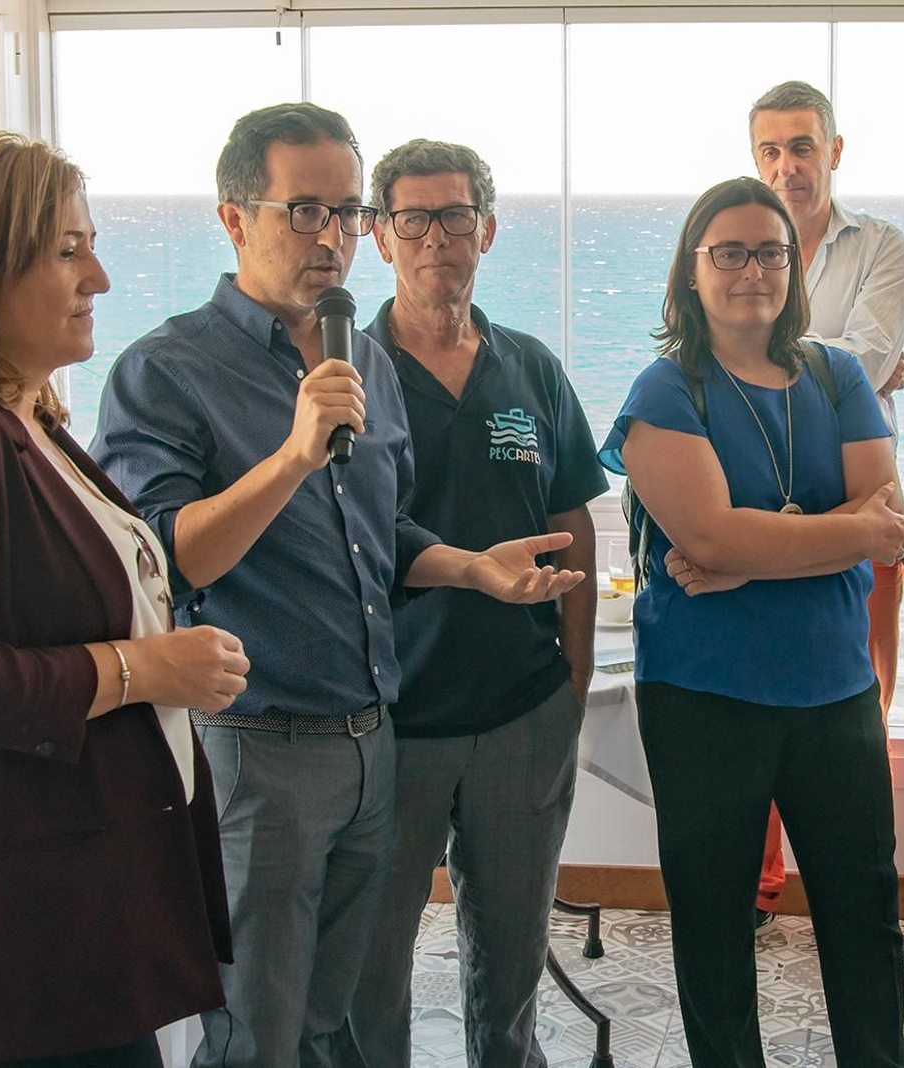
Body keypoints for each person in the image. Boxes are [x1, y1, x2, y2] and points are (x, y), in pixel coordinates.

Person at [91, 104, 584, 1068]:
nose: (333, 239)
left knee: (338, 1027)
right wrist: (291, 455)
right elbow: (166, 558)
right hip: (261, 746)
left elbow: (384, 533)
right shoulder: (167, 368)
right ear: (235, 218)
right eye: (304, 210)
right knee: (258, 1032)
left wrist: (469, 568)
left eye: (347, 214)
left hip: (371, 738)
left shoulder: (358, 358)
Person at [0, 133, 249, 1068]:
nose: (98, 277)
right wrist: (144, 668)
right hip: (26, 926)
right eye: (69, 250)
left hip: (87, 897)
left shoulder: (27, 418)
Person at [601, 176, 904, 1067]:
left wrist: (745, 554)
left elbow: (887, 527)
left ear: (795, 265)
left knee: (864, 910)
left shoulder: (838, 372)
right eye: (729, 252)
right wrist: (833, 533)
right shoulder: (666, 390)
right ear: (691, 272)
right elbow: (707, 532)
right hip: (704, 700)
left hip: (836, 692)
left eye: (771, 251)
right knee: (713, 919)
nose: (753, 269)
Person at [344, 139, 605, 1068]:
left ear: (486, 231)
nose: (435, 238)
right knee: (371, 975)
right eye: (411, 218)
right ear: (379, 235)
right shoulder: (348, 378)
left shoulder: (529, 369)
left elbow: (574, 518)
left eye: (456, 217)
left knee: (511, 966)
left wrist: (571, 680)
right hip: (391, 723)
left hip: (521, 715)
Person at [748, 81, 904, 957]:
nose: (788, 166)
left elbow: (871, 357)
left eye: (803, 147)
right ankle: (761, 887)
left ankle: (864, 908)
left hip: (862, 509)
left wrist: (762, 362)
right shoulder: (737, 248)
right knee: (756, 696)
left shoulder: (881, 246)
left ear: (835, 152)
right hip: (755, 512)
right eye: (772, 150)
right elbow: (842, 367)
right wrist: (835, 370)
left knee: (861, 708)